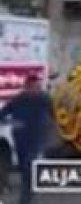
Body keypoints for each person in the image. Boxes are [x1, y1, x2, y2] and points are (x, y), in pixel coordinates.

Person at [0, 75, 53, 204]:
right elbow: (3, 114)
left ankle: (26, 198)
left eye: (38, 86)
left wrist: (48, 127)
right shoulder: (19, 99)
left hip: (37, 139)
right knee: (25, 168)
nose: (37, 89)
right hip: (21, 140)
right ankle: (28, 195)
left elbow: (54, 114)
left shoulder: (44, 99)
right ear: (27, 87)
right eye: (34, 87)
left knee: (30, 166)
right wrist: (11, 122)